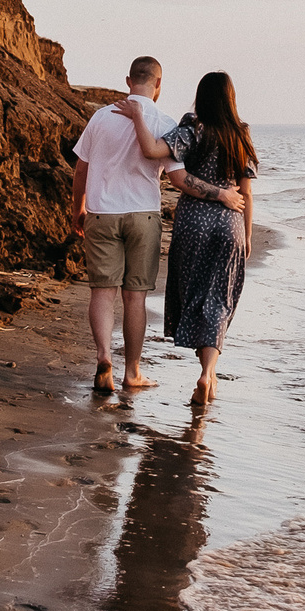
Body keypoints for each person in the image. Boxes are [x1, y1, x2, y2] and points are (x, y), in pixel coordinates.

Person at [70, 57, 241, 397]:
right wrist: (222, 194)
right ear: (158, 84)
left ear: (128, 80)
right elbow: (178, 177)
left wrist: (79, 208)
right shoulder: (164, 123)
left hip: (101, 213)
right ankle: (132, 372)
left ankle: (103, 358)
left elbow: (81, 169)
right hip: (144, 216)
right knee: (135, 298)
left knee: (102, 292)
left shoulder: (101, 117)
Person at [109, 69, 255, 406]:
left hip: (193, 224)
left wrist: (137, 116)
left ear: (201, 97)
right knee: (218, 300)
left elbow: (153, 151)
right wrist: (246, 234)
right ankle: (208, 373)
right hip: (231, 224)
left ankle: (205, 373)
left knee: (194, 295)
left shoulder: (192, 128)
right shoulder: (241, 134)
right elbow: (246, 191)